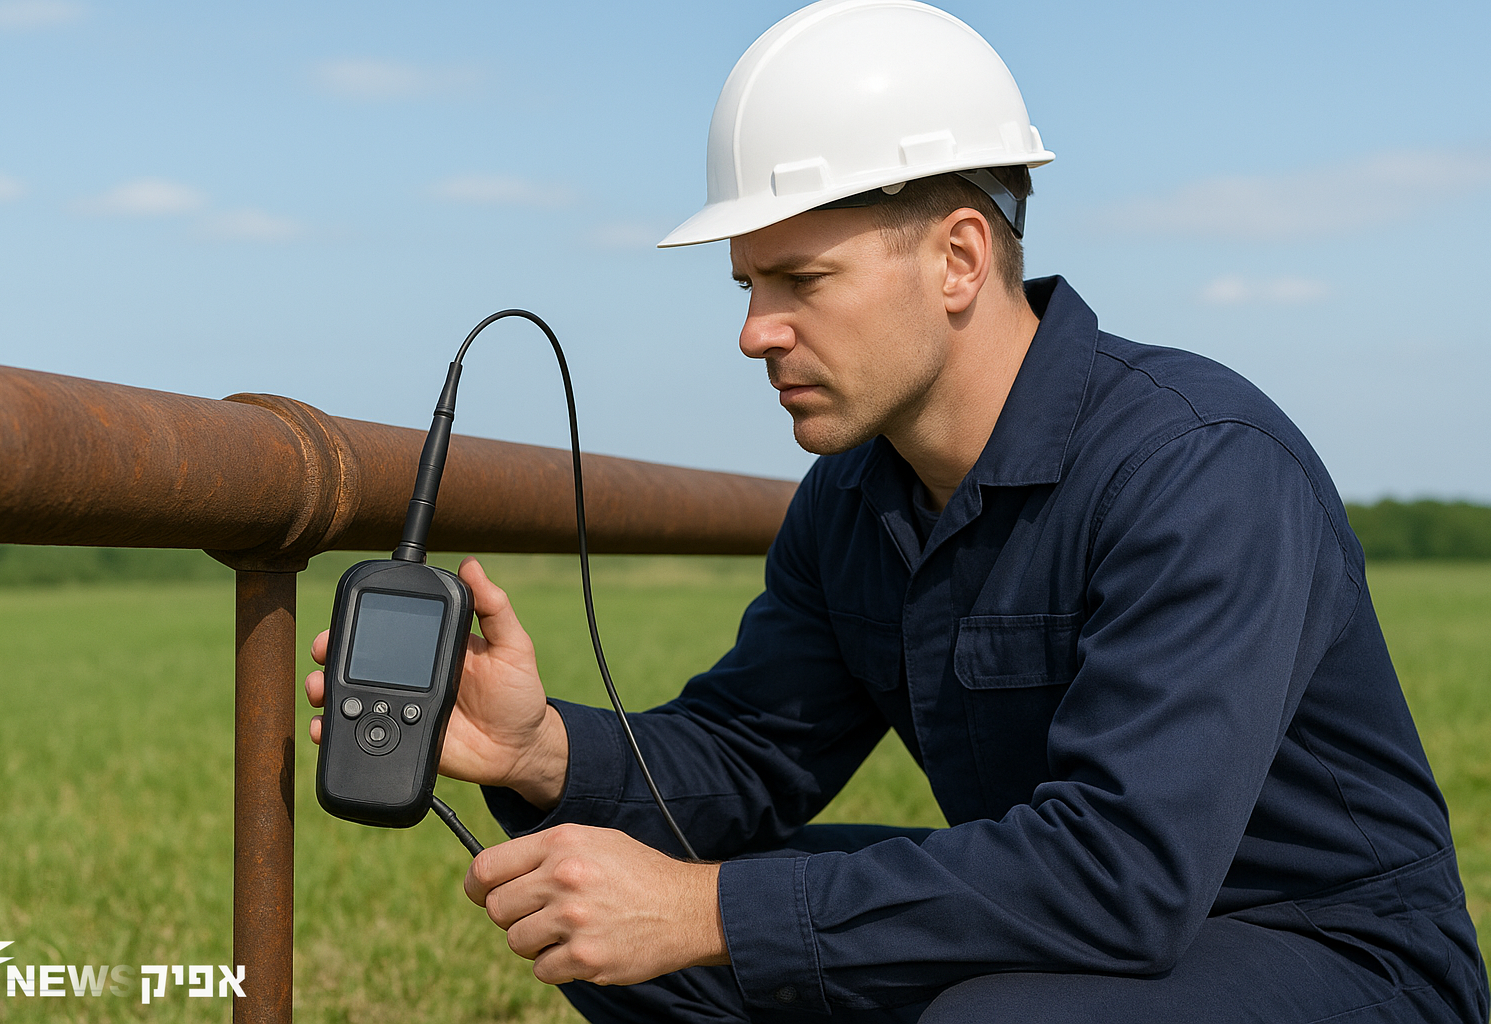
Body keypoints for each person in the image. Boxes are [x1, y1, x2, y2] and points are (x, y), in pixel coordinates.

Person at [305, 1, 1489, 1020]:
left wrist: (704, 907)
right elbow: (747, 755)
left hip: (1340, 962)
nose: (754, 330)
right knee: (626, 932)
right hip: (1106, 936)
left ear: (961, 258)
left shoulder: (1199, 467)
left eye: (800, 280)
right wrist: (537, 750)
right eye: (748, 284)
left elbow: (1125, 870)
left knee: (972, 1003)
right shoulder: (854, 500)